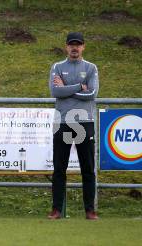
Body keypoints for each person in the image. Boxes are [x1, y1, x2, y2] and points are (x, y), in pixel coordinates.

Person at [48, 32, 99, 220]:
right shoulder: (57, 67)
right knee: (59, 168)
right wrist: (80, 86)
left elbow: (92, 94)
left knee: (88, 168)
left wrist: (68, 89)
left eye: (78, 45)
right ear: (66, 47)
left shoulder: (91, 68)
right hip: (62, 121)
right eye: (71, 45)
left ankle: (90, 210)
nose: (74, 48)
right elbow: (55, 91)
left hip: (85, 122)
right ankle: (56, 210)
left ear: (83, 47)